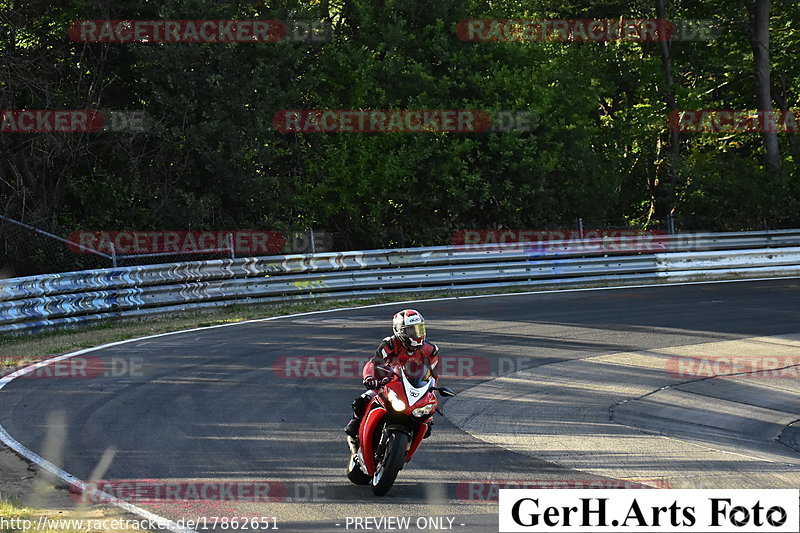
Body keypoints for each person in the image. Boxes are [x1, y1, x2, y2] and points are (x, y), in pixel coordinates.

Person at [344, 309, 440, 439]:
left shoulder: (430, 350)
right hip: (388, 384)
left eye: (420, 329)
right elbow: (373, 363)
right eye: (412, 330)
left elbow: (433, 376)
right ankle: (356, 422)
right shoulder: (390, 344)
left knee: (427, 424)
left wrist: (430, 395)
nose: (418, 334)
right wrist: (370, 378)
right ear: (401, 331)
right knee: (362, 401)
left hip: (413, 388)